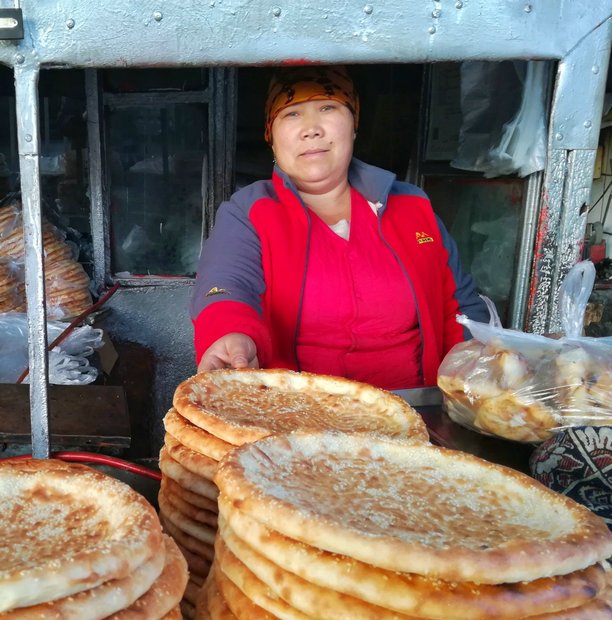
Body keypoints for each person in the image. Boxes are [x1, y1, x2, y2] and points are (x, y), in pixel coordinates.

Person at [191, 65, 489, 390]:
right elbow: (226, 285)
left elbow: (461, 304)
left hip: (411, 417)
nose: (311, 129)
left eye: (327, 107)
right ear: (271, 137)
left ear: (354, 124)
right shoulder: (249, 211)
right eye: (291, 114)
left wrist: (473, 368)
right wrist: (230, 335)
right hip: (294, 420)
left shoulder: (412, 206)